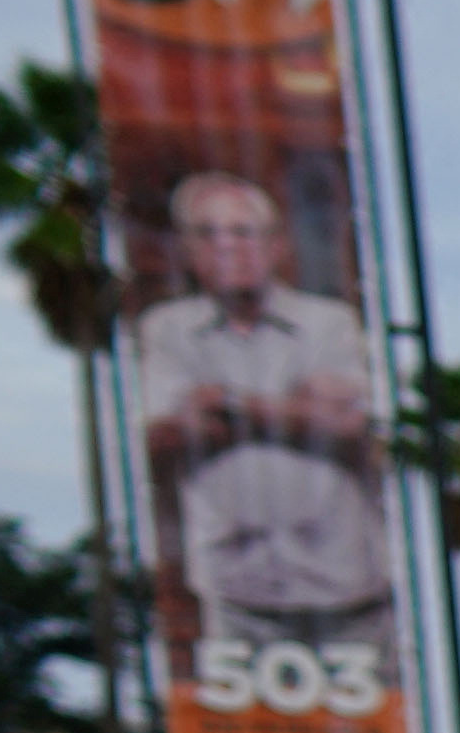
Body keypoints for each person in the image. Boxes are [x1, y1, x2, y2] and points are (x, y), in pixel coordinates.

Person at [120, 163, 402, 673]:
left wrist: (231, 404)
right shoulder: (167, 329)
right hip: (236, 589)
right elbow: (160, 432)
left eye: (243, 232)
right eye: (208, 234)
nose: (227, 246)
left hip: (343, 584)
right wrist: (297, 408)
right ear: (187, 250)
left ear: (276, 246)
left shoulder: (329, 323)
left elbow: (354, 427)